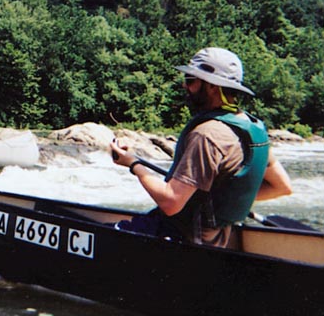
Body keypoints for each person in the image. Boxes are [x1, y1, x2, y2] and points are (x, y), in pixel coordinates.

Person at [110, 47, 292, 247]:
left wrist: (133, 163)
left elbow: (170, 202)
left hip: (184, 241)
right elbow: (281, 187)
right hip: (218, 238)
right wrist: (223, 203)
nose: (185, 86)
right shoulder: (253, 131)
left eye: (190, 80)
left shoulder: (207, 135)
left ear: (213, 86)